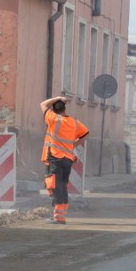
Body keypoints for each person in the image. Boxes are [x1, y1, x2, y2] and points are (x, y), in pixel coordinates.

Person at [40, 96, 90, 224]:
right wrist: (73, 145)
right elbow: (86, 134)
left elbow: (43, 104)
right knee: (62, 186)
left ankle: (58, 217)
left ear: (54, 109)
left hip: (55, 157)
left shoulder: (53, 119)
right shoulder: (74, 122)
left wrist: (58, 97)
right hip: (67, 159)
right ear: (64, 108)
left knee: (54, 186)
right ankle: (60, 216)